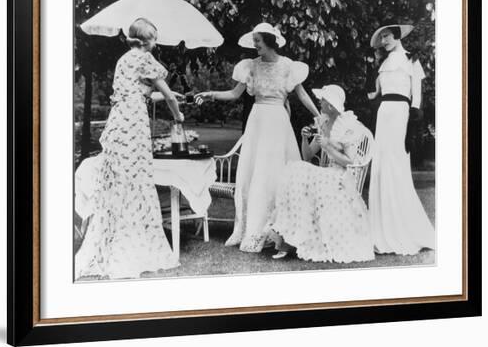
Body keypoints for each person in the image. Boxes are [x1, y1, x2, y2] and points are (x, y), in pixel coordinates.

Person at [195, 22, 320, 252]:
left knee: (276, 173)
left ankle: (280, 230)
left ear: (270, 42)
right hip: (258, 121)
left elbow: (302, 95)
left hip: (278, 123)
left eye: (258, 42)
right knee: (256, 173)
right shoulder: (250, 66)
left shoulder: (288, 66)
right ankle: (253, 230)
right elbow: (234, 93)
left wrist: (319, 115)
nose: (255, 46)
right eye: (254, 43)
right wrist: (210, 94)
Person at [75, 18, 184, 280]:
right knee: (137, 181)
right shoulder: (146, 59)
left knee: (121, 183)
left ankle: (116, 240)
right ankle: (133, 245)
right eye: (155, 39)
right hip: (134, 124)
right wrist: (177, 114)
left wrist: (170, 96)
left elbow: (141, 93)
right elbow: (166, 95)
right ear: (148, 41)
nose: (156, 43)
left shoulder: (123, 60)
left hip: (118, 122)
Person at [269, 85, 375, 262]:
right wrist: (304, 138)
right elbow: (307, 155)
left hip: (341, 175)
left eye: (323, 100)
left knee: (304, 175)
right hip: (326, 173)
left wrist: (327, 146)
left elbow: (350, 162)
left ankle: (296, 240)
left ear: (331, 106)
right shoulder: (324, 122)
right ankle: (289, 238)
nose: (320, 102)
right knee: (296, 169)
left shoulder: (348, 126)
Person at [367, 24, 435, 255]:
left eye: (387, 36)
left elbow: (416, 92)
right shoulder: (383, 64)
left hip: (400, 113)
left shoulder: (411, 59)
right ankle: (381, 228)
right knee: (382, 164)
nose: (384, 40)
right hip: (384, 113)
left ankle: (404, 227)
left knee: (396, 164)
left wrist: (413, 120)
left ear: (396, 36)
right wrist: (371, 83)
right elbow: (375, 92)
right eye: (382, 38)